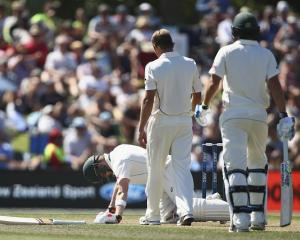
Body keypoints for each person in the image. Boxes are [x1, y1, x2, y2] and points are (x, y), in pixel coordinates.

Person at [195, 12, 295, 232]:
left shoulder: (226, 51)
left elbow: (214, 83)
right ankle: (258, 217)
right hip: (259, 116)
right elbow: (275, 87)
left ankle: (240, 219)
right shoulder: (266, 54)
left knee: (235, 166)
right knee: (258, 165)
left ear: (234, 32)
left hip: (234, 115)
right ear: (256, 32)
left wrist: (203, 106)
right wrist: (283, 114)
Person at [137, 29, 202, 226]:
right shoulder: (190, 63)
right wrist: (188, 114)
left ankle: (153, 215)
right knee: (182, 169)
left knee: (155, 168)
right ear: (172, 44)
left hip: (161, 123)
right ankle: (186, 211)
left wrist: (141, 128)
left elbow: (148, 99)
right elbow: (197, 96)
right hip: (184, 122)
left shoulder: (153, 66)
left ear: (156, 46)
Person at [82, 144, 230, 224]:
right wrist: (110, 208)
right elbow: (118, 184)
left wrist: (118, 216)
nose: (105, 175)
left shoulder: (119, 160)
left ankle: (234, 211)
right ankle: (213, 202)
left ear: (98, 164)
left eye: (101, 174)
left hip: (169, 170)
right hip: (161, 179)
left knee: (188, 210)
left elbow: (123, 189)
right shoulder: (116, 154)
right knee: (168, 217)